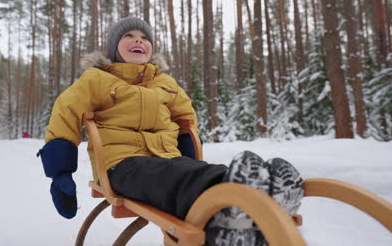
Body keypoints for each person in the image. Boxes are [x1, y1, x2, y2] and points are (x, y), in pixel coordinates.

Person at [38, 17, 304, 245]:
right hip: (121, 165)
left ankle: (250, 198)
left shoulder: (165, 83)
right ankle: (232, 197)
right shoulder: (97, 79)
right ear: (113, 48)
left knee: (182, 171)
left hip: (167, 159)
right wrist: (61, 174)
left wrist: (187, 157)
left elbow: (186, 119)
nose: (138, 40)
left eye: (145, 37)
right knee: (168, 175)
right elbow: (65, 114)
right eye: (128, 36)